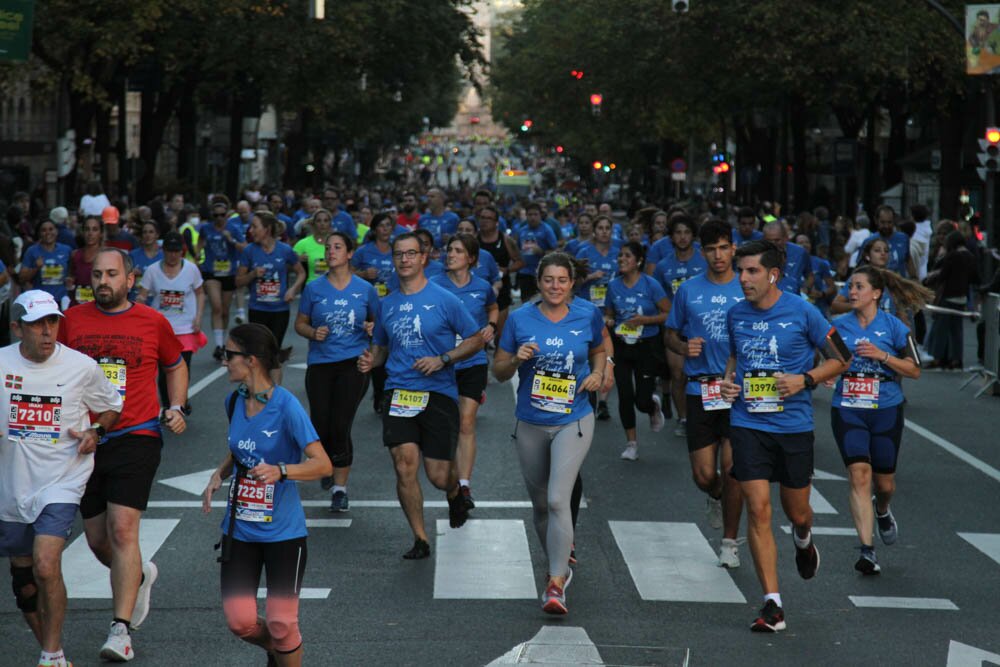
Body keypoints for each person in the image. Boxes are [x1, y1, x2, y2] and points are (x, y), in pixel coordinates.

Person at [58, 248, 189, 660]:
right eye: (97, 274)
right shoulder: (72, 321)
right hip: (85, 440)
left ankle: (120, 630)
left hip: (137, 433)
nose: (103, 281)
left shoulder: (152, 321)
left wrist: (177, 405)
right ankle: (140, 575)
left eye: (112, 274)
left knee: (122, 530)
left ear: (130, 279)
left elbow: (175, 364)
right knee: (97, 541)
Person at [717, 239, 850, 633]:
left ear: (773, 274)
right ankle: (772, 604)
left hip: (792, 426)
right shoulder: (736, 314)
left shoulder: (803, 311)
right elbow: (735, 358)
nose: (742, 278)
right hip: (747, 423)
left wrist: (804, 379)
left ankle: (804, 539)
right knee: (758, 508)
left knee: (798, 513)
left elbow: (842, 358)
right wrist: (728, 383)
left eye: (752, 271)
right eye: (741, 271)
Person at [0, 290, 123, 667]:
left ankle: (50, 656)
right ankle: (55, 654)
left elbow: (110, 408)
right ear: (17, 327)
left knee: (46, 562)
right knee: (25, 584)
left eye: (52, 321)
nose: (47, 330)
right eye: (37, 323)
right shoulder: (1, 363)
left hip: (62, 479)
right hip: (12, 485)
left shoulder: (81, 366)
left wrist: (95, 433)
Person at [201, 324, 332, 667]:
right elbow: (241, 451)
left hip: (284, 533)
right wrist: (219, 473)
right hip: (240, 529)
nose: (224, 361)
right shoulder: (234, 401)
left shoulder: (287, 407)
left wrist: (283, 470)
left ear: (252, 361)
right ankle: (278, 649)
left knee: (281, 621)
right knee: (240, 622)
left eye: (230, 355)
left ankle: (284, 645)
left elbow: (323, 464)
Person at [357, 232, 483, 559]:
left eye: (411, 254)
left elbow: (475, 340)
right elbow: (382, 348)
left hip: (438, 392)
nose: (404, 260)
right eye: (399, 254)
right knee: (404, 464)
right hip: (398, 391)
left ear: (423, 258)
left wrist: (443, 359)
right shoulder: (387, 304)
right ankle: (420, 538)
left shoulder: (445, 299)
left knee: (439, 475)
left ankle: (454, 493)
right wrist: (372, 359)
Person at [493, 252, 606, 615]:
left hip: (574, 419)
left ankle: (556, 582)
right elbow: (497, 371)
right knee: (541, 505)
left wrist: (599, 374)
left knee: (559, 499)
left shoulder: (587, 314)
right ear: (538, 282)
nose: (555, 287)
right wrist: (515, 360)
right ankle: (557, 558)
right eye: (548, 280)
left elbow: (600, 348)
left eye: (562, 280)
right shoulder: (519, 318)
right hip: (530, 422)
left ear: (572, 283)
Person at [829, 266, 921, 575]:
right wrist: (828, 374)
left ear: (876, 293)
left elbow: (915, 369)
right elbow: (828, 360)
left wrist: (883, 356)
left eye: (858, 287)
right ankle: (867, 551)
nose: (851, 292)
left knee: (884, 484)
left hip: (885, 408)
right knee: (859, 474)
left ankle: (882, 509)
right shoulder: (838, 326)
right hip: (848, 406)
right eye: (850, 287)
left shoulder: (895, 327)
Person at [664, 220, 746, 568]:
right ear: (702, 253)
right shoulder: (688, 290)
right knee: (704, 476)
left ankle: (729, 542)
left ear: (733, 250)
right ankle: (715, 496)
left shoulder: (747, 287)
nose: (718, 255)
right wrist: (684, 346)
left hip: (738, 391)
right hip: (701, 389)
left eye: (724, 248)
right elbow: (669, 335)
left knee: (732, 468)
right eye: (711, 249)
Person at [294, 232, 378, 512]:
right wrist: (312, 332)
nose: (331, 252)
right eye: (328, 247)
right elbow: (300, 324)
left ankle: (340, 489)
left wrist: (371, 329)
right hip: (320, 364)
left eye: (337, 247)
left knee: (341, 425)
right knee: (320, 424)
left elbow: (378, 325)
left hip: (352, 364)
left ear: (350, 253)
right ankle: (327, 464)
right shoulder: (314, 288)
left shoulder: (365, 289)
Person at [431, 233, 498, 509]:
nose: (451, 255)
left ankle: (465, 486)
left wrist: (491, 326)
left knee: (467, 422)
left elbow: (493, 307)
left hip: (473, 362)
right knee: (447, 426)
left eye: (458, 251)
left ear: (471, 259)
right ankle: (450, 478)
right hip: (443, 364)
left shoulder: (482, 287)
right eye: (449, 250)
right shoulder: (434, 285)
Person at [605, 241, 668, 461]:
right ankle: (631, 444)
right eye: (620, 256)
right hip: (622, 346)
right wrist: (610, 320)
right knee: (624, 394)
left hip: (647, 346)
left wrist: (645, 320)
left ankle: (651, 406)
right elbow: (609, 314)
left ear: (638, 261)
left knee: (641, 400)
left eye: (627, 256)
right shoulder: (613, 286)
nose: (621, 259)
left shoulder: (651, 285)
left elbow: (668, 313)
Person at [137, 231, 205, 411]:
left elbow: (200, 293)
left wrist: (198, 318)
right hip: (162, 328)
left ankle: (181, 400)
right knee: (165, 369)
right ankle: (168, 406)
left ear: (182, 251)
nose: (173, 255)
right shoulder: (152, 271)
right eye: (169, 251)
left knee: (184, 367)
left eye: (177, 251)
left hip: (185, 328)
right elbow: (142, 297)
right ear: (163, 250)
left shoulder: (191, 269)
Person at [653, 215, 707, 437]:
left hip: (703, 328)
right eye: (678, 232)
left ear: (693, 235)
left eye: (686, 232)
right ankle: (683, 418)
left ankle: (705, 415)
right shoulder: (664, 265)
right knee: (678, 376)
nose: (682, 237)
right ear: (671, 237)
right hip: (675, 329)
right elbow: (656, 297)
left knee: (706, 374)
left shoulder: (704, 261)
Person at [236, 211, 305, 382]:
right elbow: (238, 281)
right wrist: (252, 274)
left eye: (255, 226)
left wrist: (293, 290)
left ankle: (275, 396)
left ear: (266, 229)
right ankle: (257, 391)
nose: (251, 230)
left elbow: (301, 273)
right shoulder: (249, 251)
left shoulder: (285, 250)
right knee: (256, 355)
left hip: (279, 310)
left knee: (273, 355)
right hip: (257, 309)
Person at [924, 230, 981, 369]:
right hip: (962, 297)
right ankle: (956, 359)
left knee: (941, 330)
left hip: (948, 297)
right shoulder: (971, 257)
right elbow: (975, 278)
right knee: (957, 330)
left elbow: (943, 275)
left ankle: (936, 358)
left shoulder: (952, 256)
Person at [199, 201, 247, 360]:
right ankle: (219, 345)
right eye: (215, 215)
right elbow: (199, 244)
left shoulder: (233, 229)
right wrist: (199, 254)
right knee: (217, 307)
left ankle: (223, 342)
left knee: (225, 310)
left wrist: (231, 240)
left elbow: (244, 248)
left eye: (222, 215)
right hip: (211, 272)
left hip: (229, 272)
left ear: (227, 215)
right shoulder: (206, 229)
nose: (219, 218)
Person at [477, 204, 523, 340]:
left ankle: (499, 359)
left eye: (488, 218)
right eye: (482, 217)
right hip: (479, 290)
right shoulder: (474, 240)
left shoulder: (506, 240)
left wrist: (507, 269)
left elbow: (520, 262)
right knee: (480, 335)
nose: (484, 221)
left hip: (501, 290)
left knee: (500, 335)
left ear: (496, 222)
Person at [18, 219, 73, 307]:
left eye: (51, 229)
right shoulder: (32, 251)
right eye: (44, 230)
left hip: (61, 300)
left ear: (56, 231)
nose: (48, 233)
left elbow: (72, 272)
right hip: (40, 301)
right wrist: (36, 268)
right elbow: (21, 278)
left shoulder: (66, 250)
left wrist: (70, 279)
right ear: (39, 233)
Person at [513, 203, 558, 302]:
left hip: (541, 273)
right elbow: (517, 250)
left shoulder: (547, 230)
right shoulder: (521, 231)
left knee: (541, 303)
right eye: (530, 214)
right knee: (526, 303)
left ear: (540, 215)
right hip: (525, 273)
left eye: (535, 214)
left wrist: (541, 251)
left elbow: (556, 251)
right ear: (526, 216)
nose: (532, 217)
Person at [762, 220, 813, 295]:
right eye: (769, 241)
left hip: (793, 299)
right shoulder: (758, 255)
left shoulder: (800, 253)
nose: (773, 245)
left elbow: (810, 275)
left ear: (785, 238)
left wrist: (805, 289)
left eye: (777, 240)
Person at [67, 216, 104, 307]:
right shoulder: (75, 255)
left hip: (99, 307)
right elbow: (71, 279)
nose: (90, 233)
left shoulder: (107, 255)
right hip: (77, 306)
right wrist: (70, 283)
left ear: (101, 233)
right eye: (87, 229)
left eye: (94, 229)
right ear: (83, 232)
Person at [292, 207, 331, 284]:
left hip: (333, 288)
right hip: (311, 288)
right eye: (318, 221)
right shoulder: (303, 244)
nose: (322, 224)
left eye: (326, 221)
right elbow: (288, 265)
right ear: (313, 224)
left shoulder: (337, 243)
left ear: (330, 224)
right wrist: (297, 260)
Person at [128, 221, 164, 303]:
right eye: (145, 232)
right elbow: (123, 279)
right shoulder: (133, 255)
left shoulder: (163, 257)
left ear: (157, 235)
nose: (148, 235)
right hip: (135, 301)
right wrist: (131, 273)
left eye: (151, 232)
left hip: (157, 303)